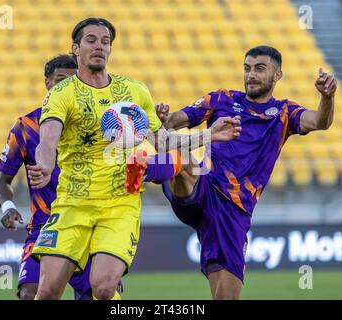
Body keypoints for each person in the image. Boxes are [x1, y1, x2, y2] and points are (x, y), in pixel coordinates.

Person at [27, 18, 242, 300]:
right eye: (91, 40)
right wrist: (44, 164)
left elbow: (162, 141)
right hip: (72, 203)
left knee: (104, 289)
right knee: (47, 291)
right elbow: (47, 141)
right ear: (75, 48)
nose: (99, 47)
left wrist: (209, 135)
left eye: (105, 42)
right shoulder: (61, 94)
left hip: (120, 204)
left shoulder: (134, 91)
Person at [128, 45, 337, 300]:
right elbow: (172, 122)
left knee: (225, 296)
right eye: (247, 68)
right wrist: (163, 117)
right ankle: (142, 170)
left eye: (260, 69)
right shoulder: (222, 99)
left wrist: (327, 98)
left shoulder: (283, 113)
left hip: (234, 211)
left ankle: (149, 167)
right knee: (181, 159)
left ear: (277, 75)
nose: (251, 75)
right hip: (203, 186)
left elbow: (320, 122)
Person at [0, 54, 94, 300]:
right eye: (60, 80)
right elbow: (2, 179)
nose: (65, 86)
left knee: (98, 293)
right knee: (30, 294)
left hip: (86, 227)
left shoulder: (93, 124)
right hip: (44, 227)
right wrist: (7, 207)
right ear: (47, 82)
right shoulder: (26, 127)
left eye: (72, 81)